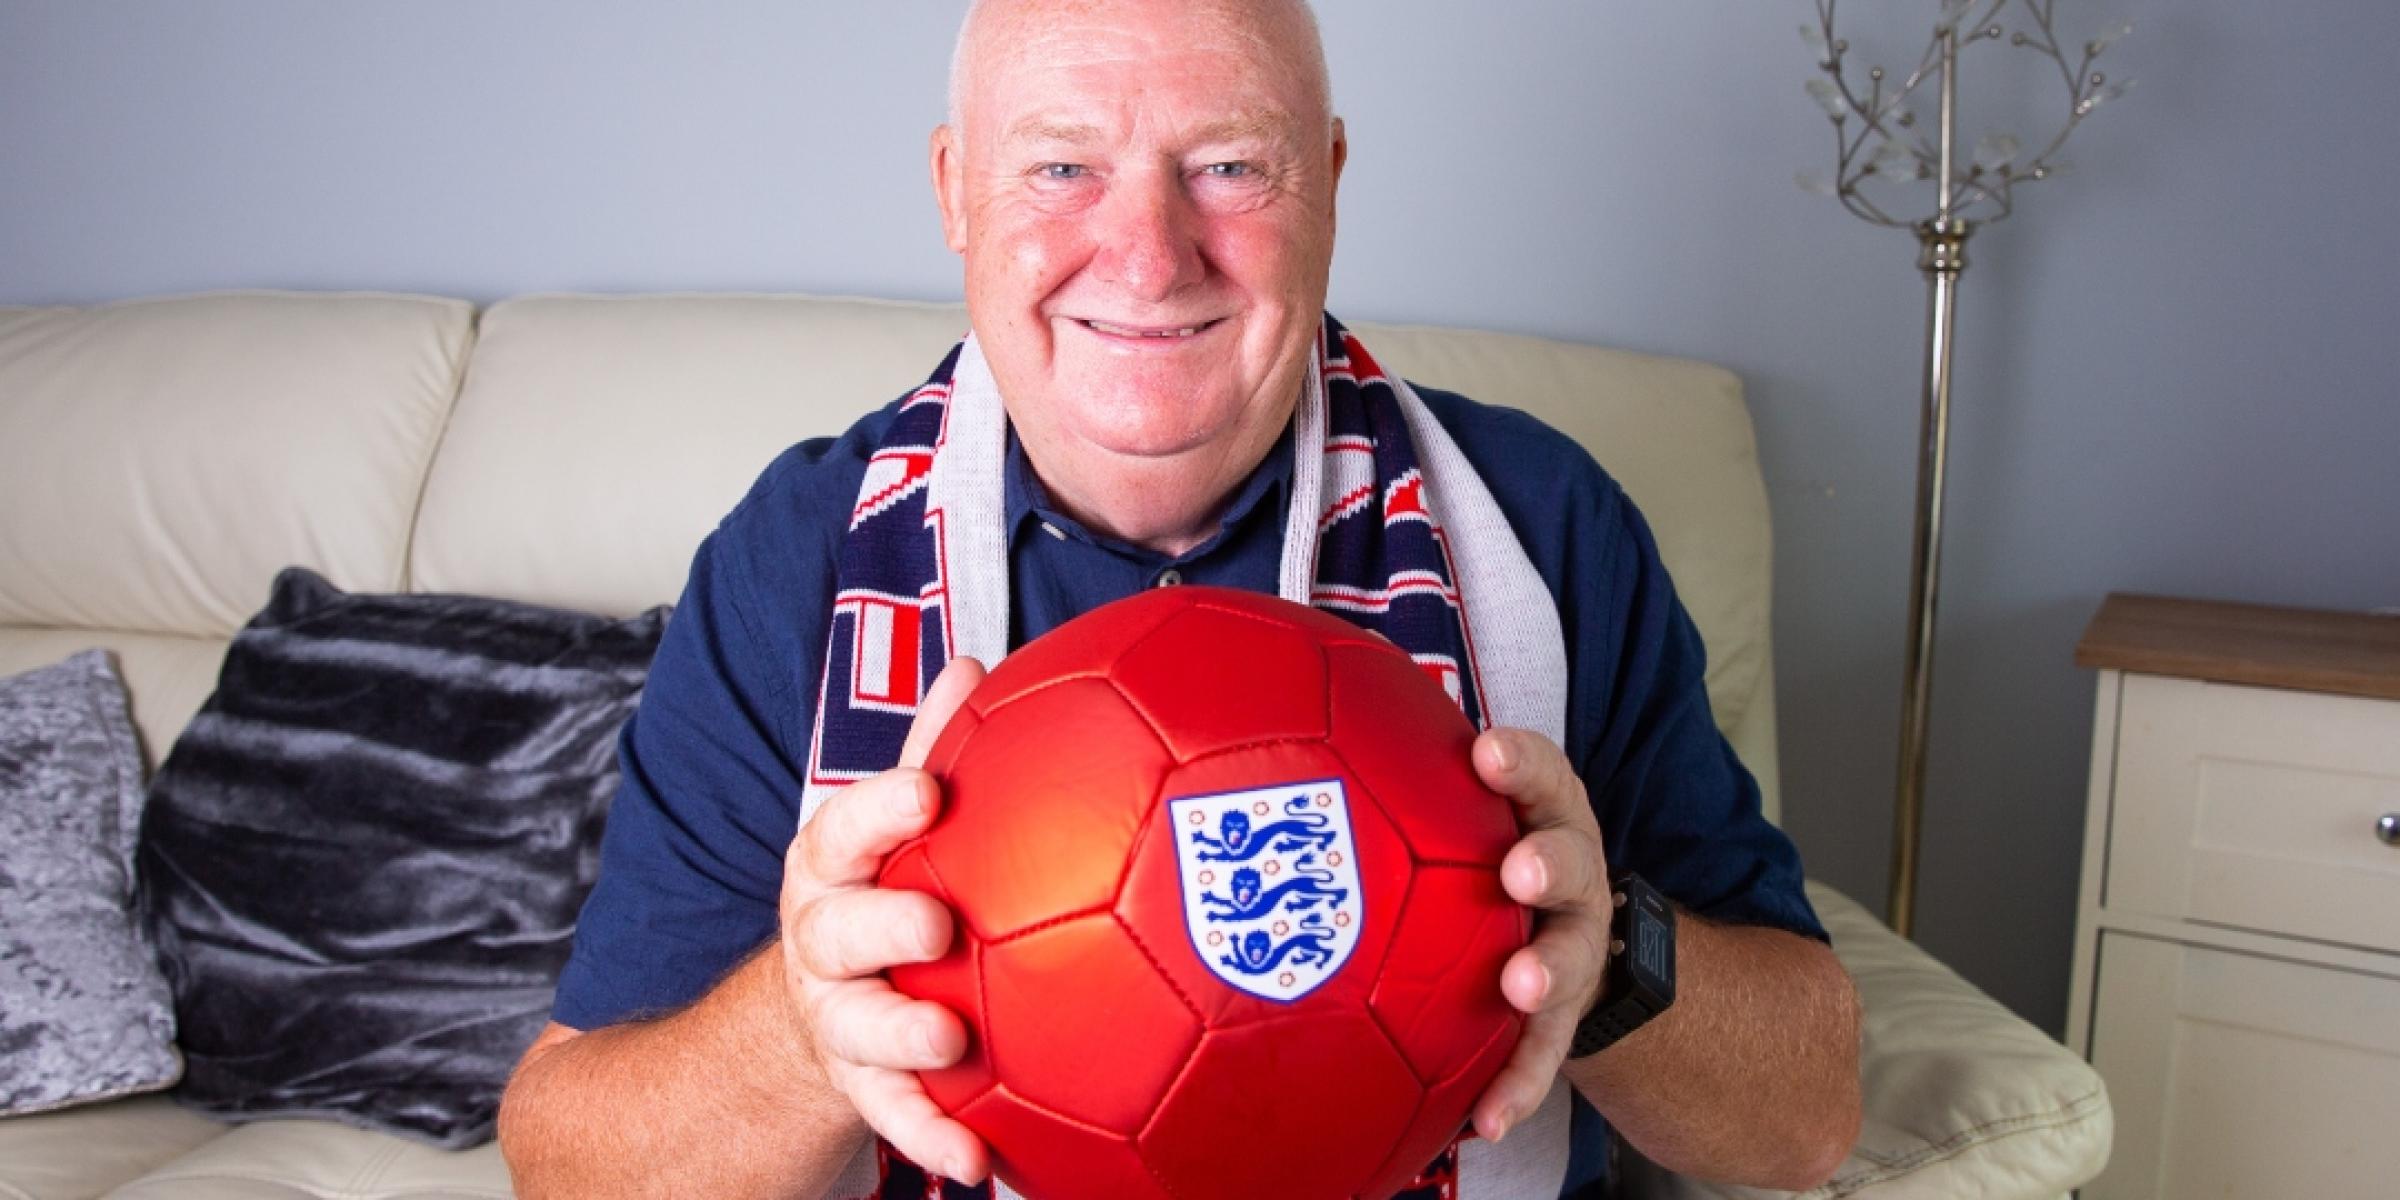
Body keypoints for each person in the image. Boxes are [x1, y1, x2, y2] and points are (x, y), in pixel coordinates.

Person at [496, 1, 1862, 1196]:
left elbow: (1807, 1125)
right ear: (954, 189)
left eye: (1228, 166)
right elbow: (570, 1167)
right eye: (1059, 167)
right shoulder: (801, 558)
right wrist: (805, 1024)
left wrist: (1611, 949)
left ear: (1327, 179)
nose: (1149, 254)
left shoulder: (1535, 526)